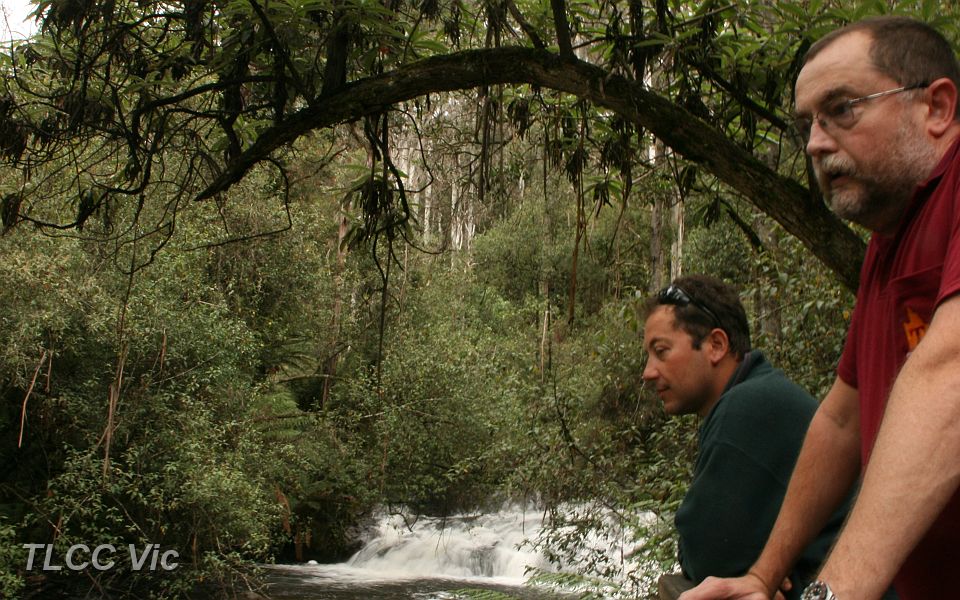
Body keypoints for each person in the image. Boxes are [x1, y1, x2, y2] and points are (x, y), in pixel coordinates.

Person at [679, 16, 960, 600]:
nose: (815, 142)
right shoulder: (886, 245)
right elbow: (840, 419)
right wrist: (761, 575)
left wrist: (833, 592)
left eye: (843, 109)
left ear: (936, 108)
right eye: (807, 123)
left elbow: (947, 379)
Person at [641, 275, 849, 600]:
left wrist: (748, 562)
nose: (648, 371)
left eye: (661, 351)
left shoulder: (749, 406)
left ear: (716, 346)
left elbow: (705, 554)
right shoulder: (754, 394)